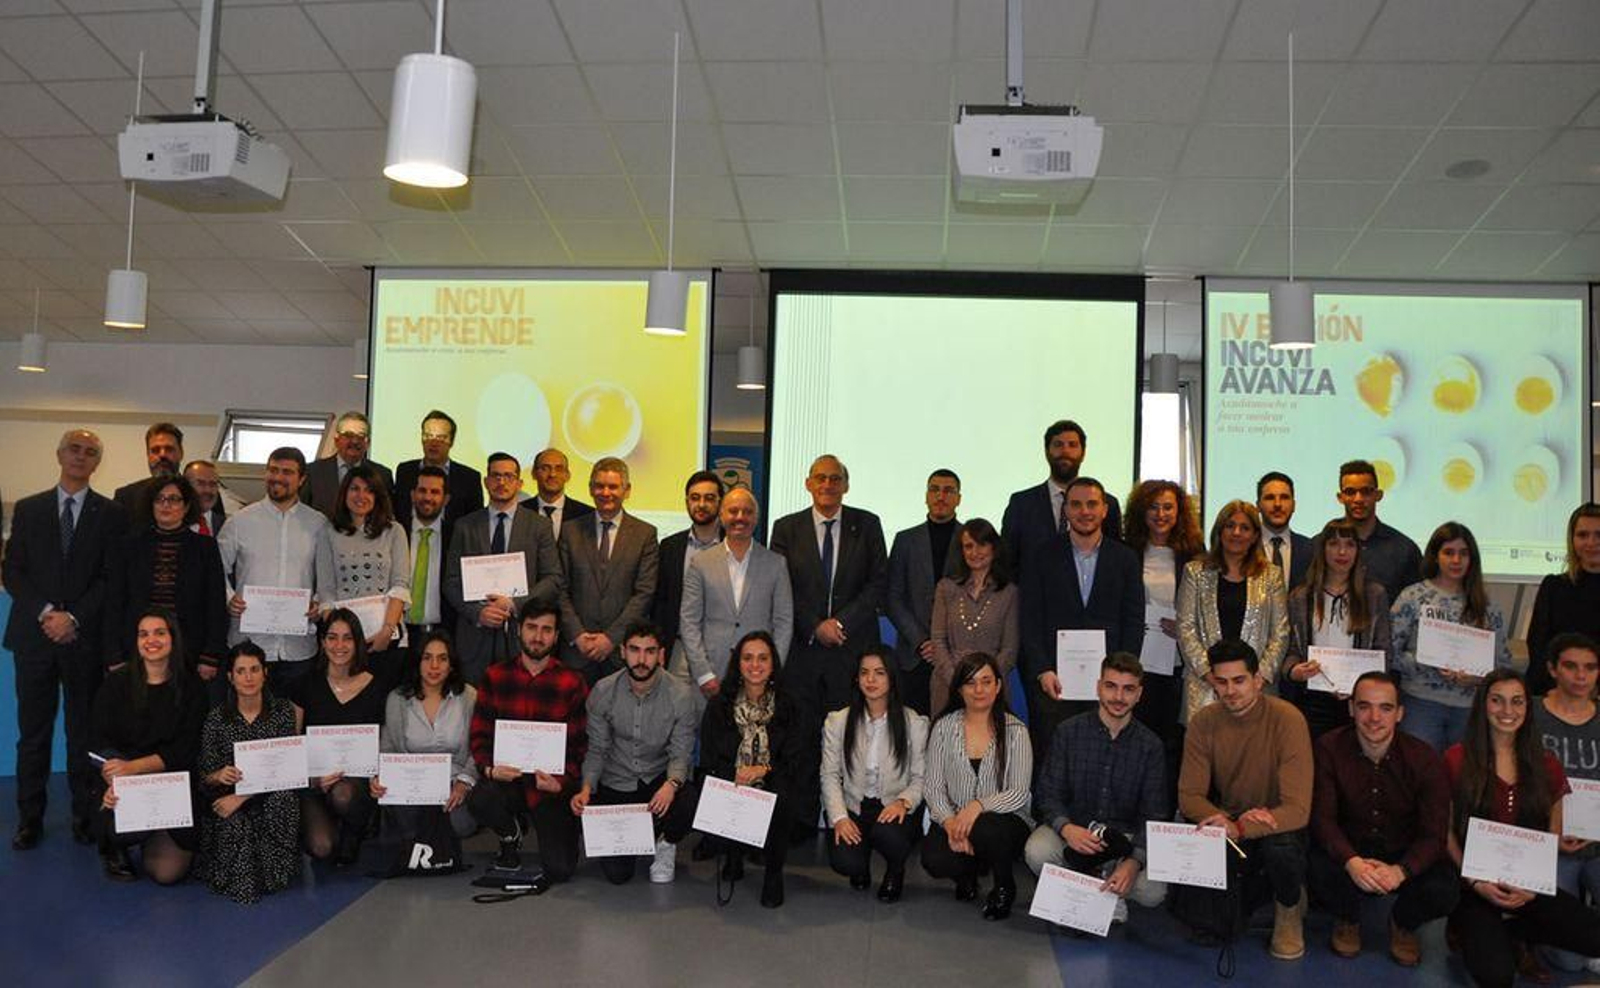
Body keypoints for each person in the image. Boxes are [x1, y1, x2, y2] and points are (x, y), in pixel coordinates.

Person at [5, 428, 128, 850]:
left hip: (84, 640)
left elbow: (111, 578)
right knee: (33, 734)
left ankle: (83, 817)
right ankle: (29, 820)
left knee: (83, 735)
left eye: (90, 452)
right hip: (34, 638)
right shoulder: (29, 509)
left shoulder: (111, 515)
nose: (80, 456)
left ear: (97, 463)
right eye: (74, 449)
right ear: (60, 455)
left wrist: (73, 616)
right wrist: (48, 614)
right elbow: (13, 572)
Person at [1445, 670, 1600, 987]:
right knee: (1497, 977)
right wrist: (1475, 881)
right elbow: (1444, 833)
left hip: (1529, 887)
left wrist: (1532, 884)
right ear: (1483, 705)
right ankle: (1466, 927)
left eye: (1517, 702)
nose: (1507, 711)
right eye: (1497, 701)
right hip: (1475, 887)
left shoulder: (1546, 764)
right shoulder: (1456, 759)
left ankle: (1513, 933)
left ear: (1528, 708)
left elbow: (1551, 835)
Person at [768, 454, 888, 832]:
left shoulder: (867, 525)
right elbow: (781, 586)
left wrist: (841, 622)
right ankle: (803, 820)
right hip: (803, 652)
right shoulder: (786, 528)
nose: (828, 485)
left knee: (848, 740)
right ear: (807, 483)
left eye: (835, 479)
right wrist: (815, 625)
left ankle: (847, 820)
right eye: (820, 478)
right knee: (802, 739)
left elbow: (877, 584)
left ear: (846, 485)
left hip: (850, 653)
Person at [1177, 639, 1313, 960]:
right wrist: (1224, 821)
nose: (1230, 691)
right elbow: (1189, 797)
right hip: (1231, 822)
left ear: (1257, 679)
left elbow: (1298, 810)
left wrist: (1240, 826)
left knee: (1282, 851)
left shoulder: (1288, 718)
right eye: (1221, 682)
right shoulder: (1204, 722)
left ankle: (1289, 908)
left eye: (1239, 680)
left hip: (1278, 824)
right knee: (1211, 928)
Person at [1309, 671, 1457, 966]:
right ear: (1351, 708)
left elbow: (1434, 834)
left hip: (1401, 854)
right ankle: (1347, 918)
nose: (1374, 717)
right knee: (1310, 860)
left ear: (1400, 714)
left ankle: (1403, 923)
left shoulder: (1425, 758)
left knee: (1446, 887)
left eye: (1385, 708)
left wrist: (1400, 871)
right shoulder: (1327, 747)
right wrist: (1352, 862)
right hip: (1349, 853)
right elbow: (1323, 819)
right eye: (1364, 706)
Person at [1024, 652, 1168, 924]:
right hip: (1076, 831)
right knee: (1037, 851)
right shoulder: (1068, 732)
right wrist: (1067, 828)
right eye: (1111, 686)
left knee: (1152, 891)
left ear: (1139, 694)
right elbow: (1048, 794)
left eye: (1128, 689)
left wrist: (1134, 862)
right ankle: (1095, 891)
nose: (1118, 697)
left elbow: (1154, 813)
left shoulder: (1151, 746)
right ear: (1098, 686)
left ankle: (1098, 887)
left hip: (1123, 838)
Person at [1022, 476, 1144, 760]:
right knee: (1053, 758)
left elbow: (1134, 619)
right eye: (1076, 504)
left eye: (1092, 504)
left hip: (1108, 686)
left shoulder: (1125, 559)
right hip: (1055, 683)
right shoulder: (1042, 556)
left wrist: (1120, 677)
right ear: (1065, 510)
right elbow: (1030, 618)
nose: (1084, 511)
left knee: (1105, 760)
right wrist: (1042, 669)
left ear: (1104, 509)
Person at [570, 622, 699, 885]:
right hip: (617, 782)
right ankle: (640, 834)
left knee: (690, 801)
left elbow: (681, 753)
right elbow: (597, 749)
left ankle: (666, 842)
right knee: (618, 876)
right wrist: (586, 788)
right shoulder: (603, 692)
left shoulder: (681, 695)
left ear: (661, 655)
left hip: (657, 781)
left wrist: (671, 785)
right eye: (635, 650)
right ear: (622, 652)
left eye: (650, 651)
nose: (642, 660)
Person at [468, 602, 589, 881]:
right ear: (519, 631)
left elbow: (580, 744)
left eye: (547, 630)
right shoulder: (495, 676)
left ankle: (541, 826)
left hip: (551, 787)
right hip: (508, 782)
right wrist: (489, 769)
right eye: (532, 628)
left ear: (557, 636)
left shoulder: (572, 682)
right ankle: (511, 832)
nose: (538, 636)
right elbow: (480, 735)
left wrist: (563, 782)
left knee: (559, 871)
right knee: (481, 799)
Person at [91, 609, 206, 883]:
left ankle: (155, 833)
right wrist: (111, 773)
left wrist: (133, 767)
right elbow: (99, 740)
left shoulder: (193, 687)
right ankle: (114, 846)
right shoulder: (115, 685)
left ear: (173, 639)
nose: (151, 640)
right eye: (143, 634)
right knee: (119, 824)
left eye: (159, 633)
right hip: (126, 781)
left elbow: (187, 750)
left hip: (173, 781)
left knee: (167, 874)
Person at [698, 631, 807, 908]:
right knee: (718, 789)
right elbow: (709, 759)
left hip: (772, 780)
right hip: (731, 781)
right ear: (738, 664)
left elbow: (795, 760)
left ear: (772, 665)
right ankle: (733, 856)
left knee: (784, 794)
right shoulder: (718, 706)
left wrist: (762, 770)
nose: (755, 665)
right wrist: (733, 775)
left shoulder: (789, 705)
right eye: (747, 658)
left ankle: (773, 873)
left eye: (762, 658)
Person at [921, 652, 1033, 921]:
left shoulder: (1016, 730)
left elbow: (1018, 792)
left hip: (1007, 821)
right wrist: (949, 823)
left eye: (986, 681)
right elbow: (933, 786)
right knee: (934, 859)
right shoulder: (943, 727)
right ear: (959, 689)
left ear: (998, 685)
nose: (979, 689)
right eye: (970, 683)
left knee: (986, 828)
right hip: (956, 819)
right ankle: (967, 873)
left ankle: (1004, 886)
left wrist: (978, 806)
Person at [217, 447, 329, 697]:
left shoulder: (318, 524)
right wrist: (228, 598)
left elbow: (327, 577)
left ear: (301, 479)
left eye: (287, 472)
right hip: (249, 646)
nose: (278, 477)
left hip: (299, 648)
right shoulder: (239, 521)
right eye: (273, 470)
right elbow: (216, 570)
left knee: (293, 726)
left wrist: (319, 604)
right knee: (246, 723)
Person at [442, 452, 562, 685]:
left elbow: (553, 578)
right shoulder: (465, 525)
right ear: (486, 482)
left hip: (521, 638)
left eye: (508, 476)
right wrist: (478, 613)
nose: (501, 482)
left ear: (519, 483)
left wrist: (514, 604)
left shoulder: (539, 526)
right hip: (474, 638)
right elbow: (451, 582)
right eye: (495, 476)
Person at [196, 642, 302, 903]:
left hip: (270, 794)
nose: (248, 677)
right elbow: (204, 776)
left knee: (284, 801)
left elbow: (289, 768)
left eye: (255, 669)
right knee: (233, 820)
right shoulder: (216, 718)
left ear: (265, 673)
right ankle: (246, 878)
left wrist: (243, 797)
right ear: (230, 677)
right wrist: (218, 775)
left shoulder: (283, 713)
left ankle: (273, 874)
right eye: (241, 671)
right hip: (227, 796)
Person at [1391, 521, 1510, 752]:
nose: (1456, 560)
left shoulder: (1487, 606)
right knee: (1420, 775)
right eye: (1449, 552)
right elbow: (1389, 651)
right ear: (1435, 556)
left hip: (1469, 708)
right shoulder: (1413, 596)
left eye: (1463, 554)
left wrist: (1477, 678)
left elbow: (1502, 663)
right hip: (1420, 704)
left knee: (1463, 779)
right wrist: (1425, 662)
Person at [821, 648, 929, 902]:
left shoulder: (913, 722)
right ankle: (861, 861)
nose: (870, 680)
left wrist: (904, 802)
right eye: (864, 673)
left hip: (893, 806)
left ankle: (895, 869)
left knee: (889, 835)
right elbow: (829, 775)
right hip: (853, 807)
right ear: (856, 679)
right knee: (845, 863)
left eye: (879, 673)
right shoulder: (838, 721)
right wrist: (839, 818)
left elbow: (920, 778)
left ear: (892, 678)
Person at [296, 608, 397, 867]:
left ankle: (356, 830)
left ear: (358, 642)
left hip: (359, 786)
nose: (339, 645)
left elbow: (388, 740)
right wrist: (313, 779)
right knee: (321, 847)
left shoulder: (378, 686)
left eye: (347, 638)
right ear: (322, 642)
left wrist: (381, 774)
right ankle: (335, 825)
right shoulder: (305, 684)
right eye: (332, 637)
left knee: (343, 795)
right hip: (317, 784)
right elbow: (293, 742)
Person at [105, 474, 229, 684]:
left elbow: (215, 604)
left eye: (174, 499)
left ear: (187, 505)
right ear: (151, 504)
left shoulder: (205, 547)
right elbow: (114, 603)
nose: (166, 505)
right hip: (138, 648)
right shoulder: (128, 546)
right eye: (159, 499)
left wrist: (211, 656)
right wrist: (114, 654)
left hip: (190, 651)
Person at [677, 487, 793, 709]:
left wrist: (771, 669)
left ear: (756, 518)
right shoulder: (701, 563)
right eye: (733, 511)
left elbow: (784, 622)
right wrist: (702, 673)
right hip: (711, 677)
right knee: (713, 741)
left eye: (747, 512)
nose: (740, 517)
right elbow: (689, 621)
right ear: (721, 515)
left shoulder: (776, 564)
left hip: (759, 677)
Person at [1122, 479, 1205, 787]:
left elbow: (1204, 606)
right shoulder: (1127, 550)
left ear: (1179, 511)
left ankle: (1165, 806)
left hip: (1175, 661)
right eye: (1153, 507)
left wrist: (1185, 625)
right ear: (1141, 512)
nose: (1161, 514)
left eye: (1168, 507)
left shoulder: (1194, 553)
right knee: (1134, 734)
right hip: (1136, 659)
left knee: (1169, 738)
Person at [1176, 500, 1289, 722]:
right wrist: (1213, 676)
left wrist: (1257, 679)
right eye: (1230, 526)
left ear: (1255, 535)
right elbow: (1185, 627)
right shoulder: (1195, 572)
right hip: (1205, 687)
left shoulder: (1272, 575)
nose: (1236, 532)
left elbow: (1280, 633)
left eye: (1245, 527)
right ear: (1219, 531)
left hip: (1257, 688)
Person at [1280, 518, 1393, 739]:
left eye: (1350, 544)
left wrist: (1361, 686)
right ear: (1322, 549)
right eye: (1333, 544)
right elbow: (1291, 649)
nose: (1342, 552)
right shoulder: (1300, 597)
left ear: (1358, 551)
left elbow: (1384, 651)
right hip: (1312, 700)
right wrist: (1294, 670)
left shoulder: (1374, 595)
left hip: (1359, 700)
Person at [1532, 633, 1600, 974]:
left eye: (1590, 668)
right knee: (1568, 960)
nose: (1581, 676)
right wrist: (1549, 832)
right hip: (1545, 844)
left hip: (1598, 844)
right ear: (1552, 669)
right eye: (1571, 666)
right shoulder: (1528, 715)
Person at [557, 457, 659, 684]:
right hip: (576, 653)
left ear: (627, 490)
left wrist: (611, 639)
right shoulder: (570, 531)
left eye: (613, 486)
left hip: (620, 653)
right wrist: (578, 635)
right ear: (590, 489)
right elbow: (559, 588)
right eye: (599, 486)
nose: (606, 492)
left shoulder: (645, 534)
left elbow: (644, 593)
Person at [372, 631, 478, 840]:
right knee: (409, 827)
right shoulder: (397, 699)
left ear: (452, 664)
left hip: (454, 781)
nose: (434, 666)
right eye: (427, 658)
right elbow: (388, 748)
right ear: (417, 662)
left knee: (461, 826)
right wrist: (380, 777)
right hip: (413, 784)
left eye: (442, 658)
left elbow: (479, 747)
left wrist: (464, 782)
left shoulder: (468, 696)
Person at [314, 464, 411, 664]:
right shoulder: (328, 532)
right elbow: (326, 590)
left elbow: (400, 585)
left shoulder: (394, 531)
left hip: (385, 637)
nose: (361, 496)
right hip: (343, 646)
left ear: (377, 497)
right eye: (355, 489)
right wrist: (339, 639)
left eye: (369, 490)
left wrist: (387, 630)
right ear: (344, 493)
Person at [886, 469, 965, 715]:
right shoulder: (905, 540)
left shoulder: (970, 541)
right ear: (926, 496)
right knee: (912, 733)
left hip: (956, 654)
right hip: (914, 655)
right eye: (935, 489)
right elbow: (892, 598)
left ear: (959, 498)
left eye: (948, 490)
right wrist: (922, 641)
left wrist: (943, 643)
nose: (941, 496)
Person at [929, 518, 1017, 718]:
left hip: (991, 691)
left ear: (994, 548)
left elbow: (1009, 649)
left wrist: (984, 682)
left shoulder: (1009, 592)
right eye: (968, 546)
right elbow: (938, 639)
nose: (975, 552)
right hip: (947, 686)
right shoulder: (946, 588)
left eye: (982, 544)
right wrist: (958, 680)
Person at [1525, 504, 1600, 697]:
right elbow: (1538, 646)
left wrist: (1591, 688)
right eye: (1582, 535)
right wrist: (1561, 688)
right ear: (1572, 539)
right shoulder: (1553, 587)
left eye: (1599, 534)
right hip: (1554, 694)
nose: (1591, 542)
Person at [652, 471, 723, 662]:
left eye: (709, 498)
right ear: (686, 502)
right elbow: (660, 601)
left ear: (720, 502)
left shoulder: (734, 545)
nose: (701, 504)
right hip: (678, 649)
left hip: (720, 650)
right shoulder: (670, 546)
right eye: (695, 498)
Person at [1331, 459, 1422, 601]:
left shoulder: (1404, 550)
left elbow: (1418, 605)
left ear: (1378, 495)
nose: (1358, 499)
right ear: (1340, 497)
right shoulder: (1320, 548)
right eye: (1350, 492)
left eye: (1366, 491)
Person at [393, 409, 483, 528]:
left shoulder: (469, 478)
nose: (434, 443)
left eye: (441, 437)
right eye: (428, 436)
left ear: (451, 441)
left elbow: (475, 522)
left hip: (452, 545)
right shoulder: (405, 471)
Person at [402, 465, 456, 647]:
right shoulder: (395, 533)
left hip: (443, 634)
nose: (427, 497)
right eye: (422, 491)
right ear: (412, 495)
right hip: (399, 633)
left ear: (445, 499)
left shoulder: (456, 536)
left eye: (435, 492)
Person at [304, 411, 394, 518]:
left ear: (368, 443)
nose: (355, 441)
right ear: (336, 440)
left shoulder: (382, 475)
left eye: (361, 436)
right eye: (348, 435)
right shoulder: (313, 472)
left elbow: (386, 514)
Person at [113, 422, 184, 534]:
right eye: (155, 450)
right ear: (148, 455)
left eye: (169, 449)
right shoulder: (125, 497)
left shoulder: (199, 493)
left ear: (181, 453)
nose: (162, 455)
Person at [1257, 471, 1313, 590]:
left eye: (1284, 497)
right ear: (1258, 505)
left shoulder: (1310, 549)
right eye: (1270, 498)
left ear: (1293, 505)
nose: (1277, 504)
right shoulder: (1246, 547)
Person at [524, 448, 593, 532]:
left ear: (567, 475)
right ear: (534, 474)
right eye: (545, 468)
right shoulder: (519, 512)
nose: (552, 474)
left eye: (559, 469)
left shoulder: (587, 514)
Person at [182, 459, 243, 537]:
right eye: (200, 483)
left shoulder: (229, 525)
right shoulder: (172, 523)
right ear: (184, 486)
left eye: (213, 484)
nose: (208, 490)